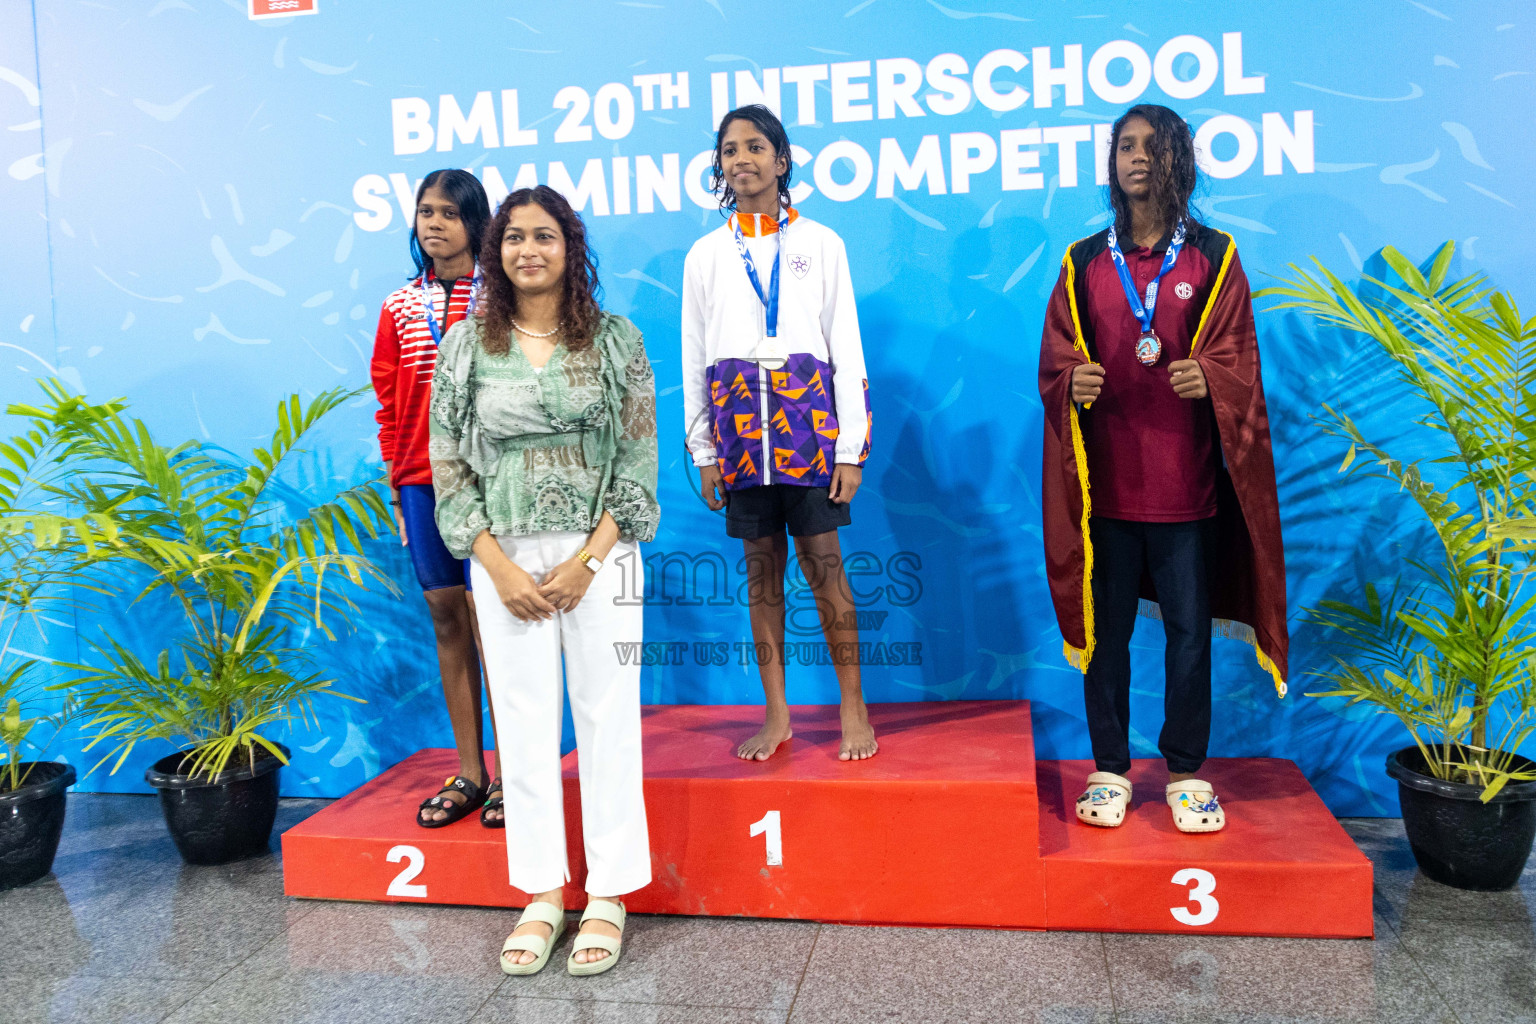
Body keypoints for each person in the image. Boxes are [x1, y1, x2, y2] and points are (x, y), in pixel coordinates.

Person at [1036, 104, 1288, 833]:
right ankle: (1109, 767)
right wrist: (1068, 380)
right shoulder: (1083, 260)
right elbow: (1054, 356)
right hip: (1107, 490)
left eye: (1151, 145)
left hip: (1188, 487)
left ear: (1179, 157)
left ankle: (1184, 772)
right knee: (1105, 634)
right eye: (1124, 146)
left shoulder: (1214, 253)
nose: (1136, 157)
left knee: (1189, 634)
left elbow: (1239, 354)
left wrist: (1212, 376)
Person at [430, 185, 659, 976]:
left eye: (547, 236)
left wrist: (589, 562)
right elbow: (449, 467)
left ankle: (609, 892)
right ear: (496, 252)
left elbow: (637, 464)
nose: (530, 250)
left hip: (603, 556)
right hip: (502, 560)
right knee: (524, 725)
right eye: (515, 238)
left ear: (572, 248)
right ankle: (541, 893)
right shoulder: (465, 347)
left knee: (608, 716)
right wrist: (494, 566)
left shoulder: (618, 341)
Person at [681, 104, 877, 763]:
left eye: (755, 147)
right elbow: (693, 355)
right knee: (761, 578)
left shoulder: (822, 243)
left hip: (810, 430)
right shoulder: (706, 255)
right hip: (739, 434)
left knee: (826, 572)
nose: (742, 159)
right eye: (729, 150)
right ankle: (777, 714)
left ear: (782, 160)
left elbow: (845, 346)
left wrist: (850, 446)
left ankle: (854, 706)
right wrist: (704, 449)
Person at [370, 168, 505, 828]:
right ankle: (471, 772)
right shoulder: (399, 306)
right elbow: (390, 404)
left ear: (475, 224)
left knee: (497, 628)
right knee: (448, 620)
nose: (433, 223)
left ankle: (516, 772)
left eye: (449, 213)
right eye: (425, 212)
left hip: (491, 484)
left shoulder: (502, 298)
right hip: (423, 485)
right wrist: (401, 488)